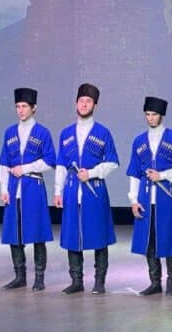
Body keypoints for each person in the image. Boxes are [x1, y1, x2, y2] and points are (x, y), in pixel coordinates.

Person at [54, 83, 119, 295]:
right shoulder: (66, 133)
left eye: (88, 101)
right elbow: (61, 164)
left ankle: (99, 281)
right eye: (81, 101)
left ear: (95, 106)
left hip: (95, 191)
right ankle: (76, 280)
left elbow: (113, 162)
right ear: (76, 104)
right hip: (72, 190)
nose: (83, 104)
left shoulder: (103, 133)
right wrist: (57, 191)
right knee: (73, 234)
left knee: (99, 235)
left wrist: (91, 173)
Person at [127, 96, 172, 296]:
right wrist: (133, 200)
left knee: (170, 238)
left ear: (161, 115)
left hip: (167, 198)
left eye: (154, 114)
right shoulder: (138, 141)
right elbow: (134, 173)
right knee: (149, 240)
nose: (150, 118)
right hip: (145, 198)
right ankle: (155, 282)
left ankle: (171, 281)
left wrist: (162, 176)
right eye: (147, 114)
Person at [0, 87, 56, 291]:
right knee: (14, 233)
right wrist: (3, 188)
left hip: (33, 186)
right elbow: (4, 162)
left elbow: (50, 161)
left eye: (24, 106)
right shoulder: (9, 132)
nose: (21, 110)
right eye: (18, 106)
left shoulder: (42, 132)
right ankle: (19, 276)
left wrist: (25, 168)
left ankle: (39, 277)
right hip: (14, 187)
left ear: (34, 108)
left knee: (38, 233)